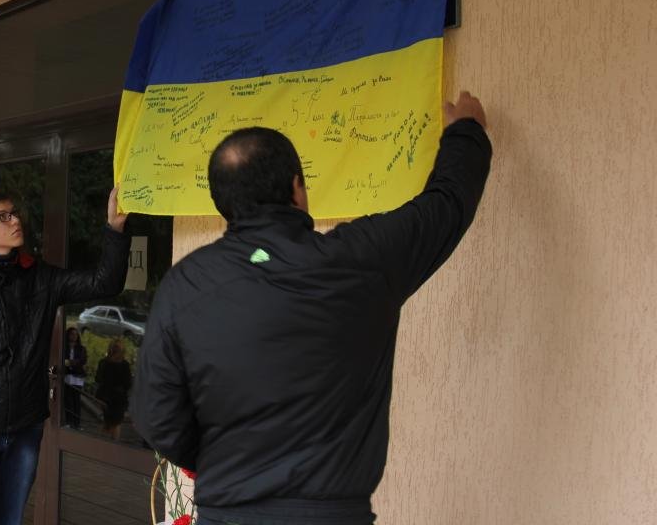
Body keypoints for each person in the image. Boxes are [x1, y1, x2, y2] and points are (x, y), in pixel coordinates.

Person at [134, 91, 492, 525]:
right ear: (296, 188)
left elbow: (157, 419)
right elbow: (447, 204)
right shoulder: (363, 260)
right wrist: (465, 132)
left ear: (222, 204)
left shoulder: (184, 286)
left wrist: (229, 464)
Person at [0, 186, 130, 525]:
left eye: (14, 213)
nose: (15, 220)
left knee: (10, 518)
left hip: (25, 426)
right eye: (2, 216)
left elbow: (104, 283)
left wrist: (115, 228)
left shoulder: (41, 278)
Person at [95, 339, 132, 441]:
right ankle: (111, 445)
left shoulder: (103, 362)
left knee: (108, 422)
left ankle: (101, 445)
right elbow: (127, 384)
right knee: (115, 423)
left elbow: (98, 379)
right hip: (117, 398)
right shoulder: (124, 365)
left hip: (106, 397)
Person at [63, 327, 87, 429]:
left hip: (77, 376)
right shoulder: (64, 347)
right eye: (72, 334)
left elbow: (82, 360)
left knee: (76, 400)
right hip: (67, 376)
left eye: (76, 334)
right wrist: (69, 363)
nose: (74, 336)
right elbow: (62, 360)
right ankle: (69, 421)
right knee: (68, 400)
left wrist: (70, 362)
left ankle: (77, 423)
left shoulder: (81, 348)